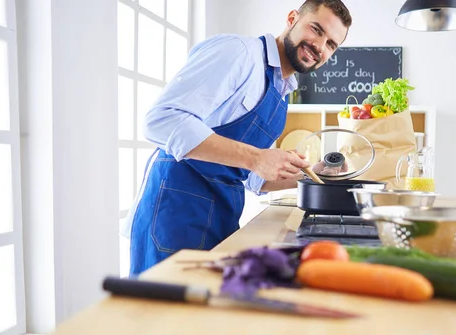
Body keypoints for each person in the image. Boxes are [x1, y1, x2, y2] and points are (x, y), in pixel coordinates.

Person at [127, 0, 352, 275]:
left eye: (331, 44)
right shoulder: (239, 53)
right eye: (316, 29)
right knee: (158, 313)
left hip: (220, 215)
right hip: (175, 211)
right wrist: (257, 157)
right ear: (292, 18)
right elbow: (161, 120)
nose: (320, 46)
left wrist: (308, 175)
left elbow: (253, 177)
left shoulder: (282, 93)